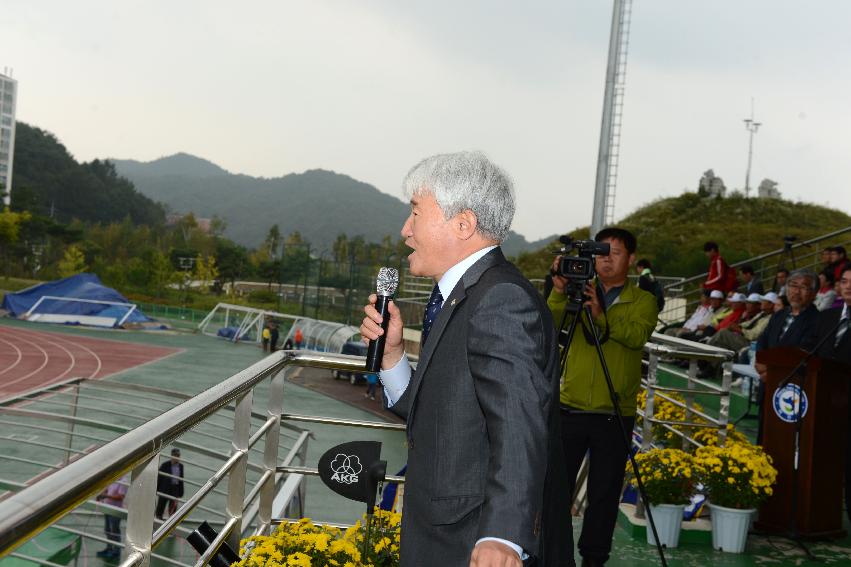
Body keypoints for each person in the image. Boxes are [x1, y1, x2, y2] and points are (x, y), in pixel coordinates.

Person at [359, 151, 567, 567]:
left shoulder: (500, 300)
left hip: (470, 540)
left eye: (415, 213)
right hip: (442, 531)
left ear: (463, 223)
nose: (405, 230)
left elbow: (519, 421)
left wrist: (503, 537)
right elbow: (442, 411)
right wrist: (394, 355)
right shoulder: (462, 295)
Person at [548, 227, 658, 566]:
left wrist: (599, 316)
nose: (606, 259)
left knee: (604, 496)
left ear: (631, 258)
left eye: (615, 253)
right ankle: (554, 554)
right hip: (571, 408)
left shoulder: (644, 300)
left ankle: (594, 559)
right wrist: (557, 294)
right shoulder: (578, 293)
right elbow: (548, 328)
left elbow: (636, 336)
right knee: (554, 493)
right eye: (601, 253)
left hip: (615, 411)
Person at [811, 266, 851, 523]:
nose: (848, 286)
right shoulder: (827, 316)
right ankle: (819, 518)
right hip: (823, 405)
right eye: (845, 281)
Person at [96, 474, 129, 560]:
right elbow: (107, 489)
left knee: (114, 531)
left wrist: (106, 496)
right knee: (107, 530)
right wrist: (102, 494)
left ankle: (116, 552)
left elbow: (121, 497)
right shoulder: (113, 478)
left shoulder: (123, 481)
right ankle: (109, 548)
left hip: (115, 510)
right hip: (107, 508)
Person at [156, 448, 185, 521]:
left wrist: (180, 492)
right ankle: (158, 520)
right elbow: (159, 478)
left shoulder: (181, 466)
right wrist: (157, 489)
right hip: (165, 488)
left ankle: (170, 522)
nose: (177, 457)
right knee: (161, 506)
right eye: (175, 455)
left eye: (178, 456)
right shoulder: (165, 465)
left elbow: (181, 480)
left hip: (175, 489)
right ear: (172, 456)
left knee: (173, 509)